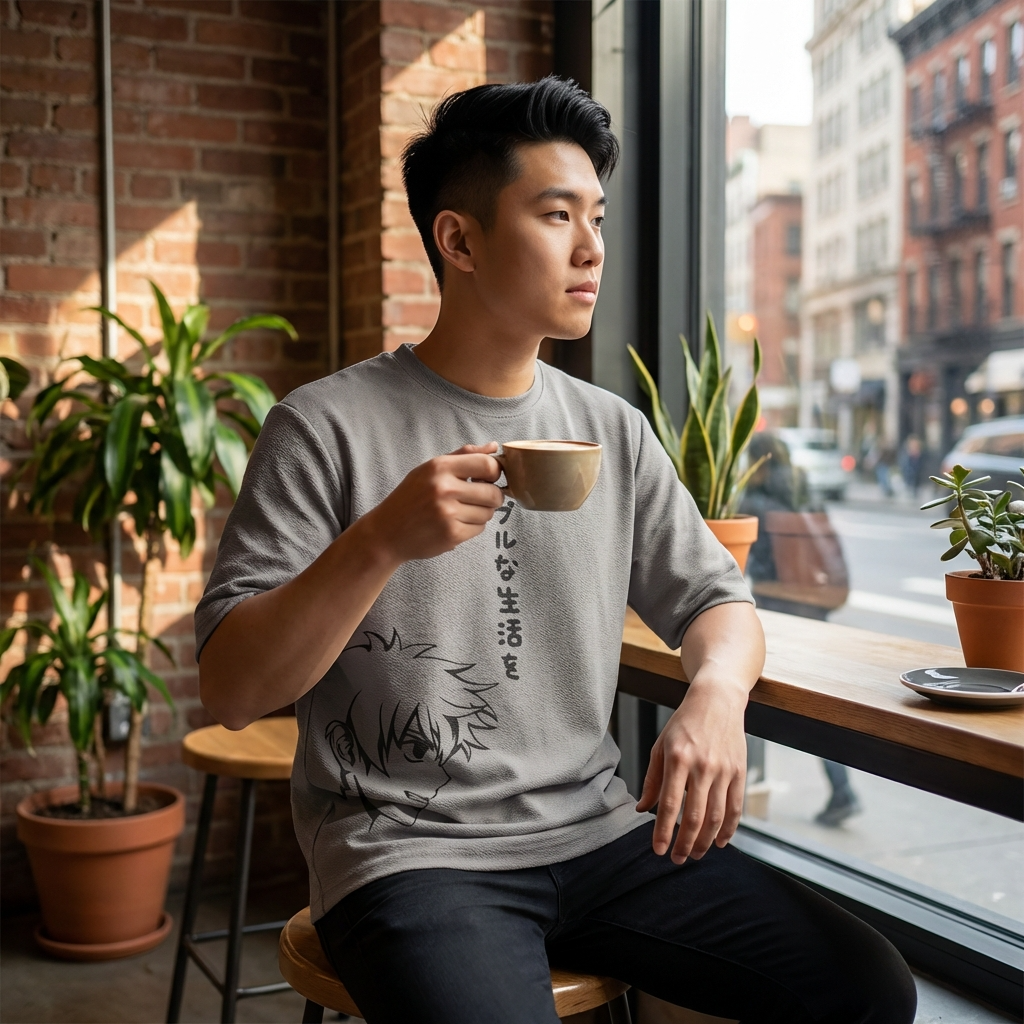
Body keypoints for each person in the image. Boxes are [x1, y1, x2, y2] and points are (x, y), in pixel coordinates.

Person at [196, 78, 915, 1024]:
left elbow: (718, 601)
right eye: (555, 214)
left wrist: (714, 696)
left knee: (866, 989)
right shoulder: (324, 427)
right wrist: (379, 543)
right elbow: (233, 688)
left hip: (600, 839)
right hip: (412, 855)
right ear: (459, 241)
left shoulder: (609, 431)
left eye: (598, 216)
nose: (592, 248)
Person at [740, 435, 862, 828]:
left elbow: (746, 564)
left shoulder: (753, 501)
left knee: (746, 698)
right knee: (817, 707)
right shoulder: (807, 493)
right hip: (813, 610)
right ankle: (842, 789)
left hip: (776, 612)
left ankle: (741, 789)